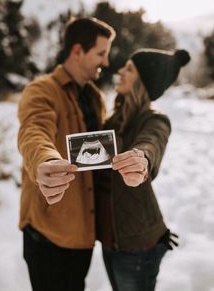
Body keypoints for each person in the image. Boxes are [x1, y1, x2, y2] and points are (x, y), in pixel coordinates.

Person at [17, 17, 148, 291]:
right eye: (101, 53)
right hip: (48, 236)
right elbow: (34, 130)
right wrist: (47, 160)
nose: (107, 62)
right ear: (77, 51)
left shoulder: (95, 96)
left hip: (83, 233)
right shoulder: (42, 90)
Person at [95, 48, 191, 291]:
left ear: (143, 80)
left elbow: (152, 141)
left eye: (129, 69)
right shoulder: (113, 120)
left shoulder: (153, 119)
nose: (120, 72)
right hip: (110, 239)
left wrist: (142, 157)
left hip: (138, 246)